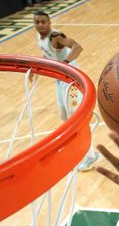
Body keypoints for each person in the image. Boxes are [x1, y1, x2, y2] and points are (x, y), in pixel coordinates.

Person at [33, 11, 98, 172]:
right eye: (37, 22)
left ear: (49, 23)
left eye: (43, 22)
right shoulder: (40, 37)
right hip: (60, 79)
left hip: (71, 81)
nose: (40, 25)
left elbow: (77, 47)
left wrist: (66, 63)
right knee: (64, 116)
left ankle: (90, 156)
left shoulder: (56, 37)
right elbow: (48, 55)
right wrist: (36, 68)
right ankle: (80, 148)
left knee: (75, 120)